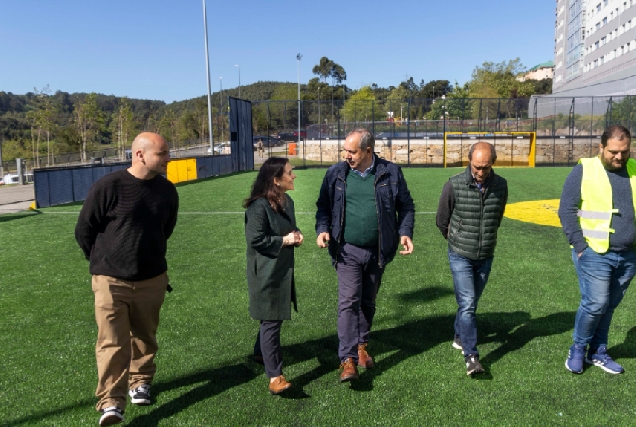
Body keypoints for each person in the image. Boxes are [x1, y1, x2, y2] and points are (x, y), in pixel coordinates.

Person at [75, 132, 178, 426]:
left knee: (145, 336)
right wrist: (101, 264)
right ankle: (111, 403)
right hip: (110, 280)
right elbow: (85, 230)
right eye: (162, 153)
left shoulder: (168, 191)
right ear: (140, 154)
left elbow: (165, 229)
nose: (168, 158)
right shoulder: (108, 186)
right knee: (112, 342)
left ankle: (140, 382)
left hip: (152, 278)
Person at [315, 129, 415, 382]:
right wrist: (323, 229)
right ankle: (347, 359)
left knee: (367, 302)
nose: (346, 155)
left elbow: (406, 205)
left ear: (368, 151)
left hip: (379, 251)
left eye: (352, 151)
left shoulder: (391, 172)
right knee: (348, 301)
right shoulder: (335, 174)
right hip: (346, 250)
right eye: (345, 151)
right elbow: (323, 207)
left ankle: (361, 346)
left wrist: (405, 232)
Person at [558, 125, 636, 375]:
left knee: (610, 305)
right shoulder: (585, 169)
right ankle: (578, 348)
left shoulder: (634, 169)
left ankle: (598, 351)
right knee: (595, 303)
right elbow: (566, 210)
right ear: (601, 147)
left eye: (625, 152)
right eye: (613, 152)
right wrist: (580, 247)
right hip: (595, 252)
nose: (619, 157)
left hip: (629, 254)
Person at [436, 141, 508, 376]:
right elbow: (441, 219)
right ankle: (471, 356)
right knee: (467, 304)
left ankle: (459, 335)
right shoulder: (454, 184)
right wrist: (456, 239)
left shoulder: (501, 186)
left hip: (486, 255)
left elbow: (497, 217)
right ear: (469, 162)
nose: (479, 172)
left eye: (484, 168)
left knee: (470, 303)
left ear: (492, 164)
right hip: (460, 255)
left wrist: (485, 239)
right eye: (476, 167)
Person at [244, 157, 303, 394]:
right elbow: (256, 239)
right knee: (271, 321)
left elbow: (290, 228)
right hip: (266, 272)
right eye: (289, 172)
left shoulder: (286, 201)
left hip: (282, 269)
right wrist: (285, 240)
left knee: (272, 317)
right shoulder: (258, 207)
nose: (294, 175)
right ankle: (275, 377)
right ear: (276, 180)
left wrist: (296, 235)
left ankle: (260, 353)